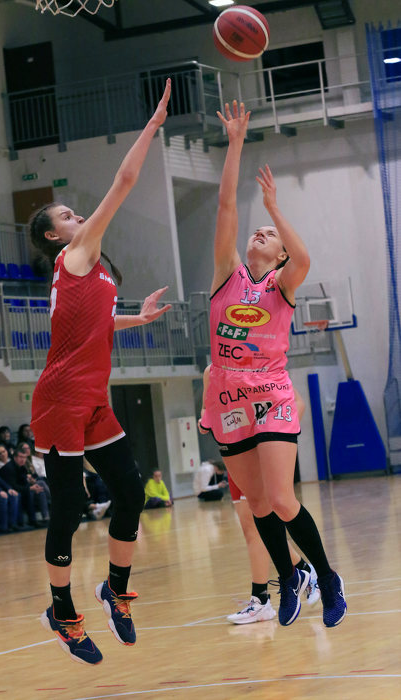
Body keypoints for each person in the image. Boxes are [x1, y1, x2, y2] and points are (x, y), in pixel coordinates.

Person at [29, 79, 172, 665]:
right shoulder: (76, 254)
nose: (78, 215)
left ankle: (114, 591)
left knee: (131, 492)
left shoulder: (89, 269)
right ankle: (61, 612)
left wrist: (138, 318)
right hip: (61, 398)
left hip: (92, 397)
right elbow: (125, 181)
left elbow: (98, 323)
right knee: (69, 507)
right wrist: (152, 127)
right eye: (66, 215)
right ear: (53, 236)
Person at [200, 100, 346, 629]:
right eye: (256, 230)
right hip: (228, 397)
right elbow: (225, 207)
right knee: (257, 502)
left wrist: (275, 207)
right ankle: (289, 579)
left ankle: (327, 577)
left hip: (270, 392)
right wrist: (235, 143)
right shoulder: (226, 274)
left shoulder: (282, 284)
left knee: (282, 498)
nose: (258, 233)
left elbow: (304, 259)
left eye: (269, 234)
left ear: (279, 254)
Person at [198, 365, 319, 624]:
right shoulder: (211, 372)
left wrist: (276, 437)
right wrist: (205, 421)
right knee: (251, 529)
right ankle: (304, 572)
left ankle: (261, 599)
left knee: (256, 529)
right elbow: (207, 412)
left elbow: (297, 404)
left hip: (262, 454)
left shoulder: (263, 366)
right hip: (234, 453)